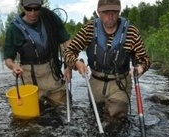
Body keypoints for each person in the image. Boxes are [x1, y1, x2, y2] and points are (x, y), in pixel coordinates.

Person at [64, 0, 150, 128]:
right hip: (95, 82)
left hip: (120, 84)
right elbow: (68, 51)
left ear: (119, 11)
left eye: (114, 12)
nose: (110, 16)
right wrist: (75, 63)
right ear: (98, 12)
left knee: (114, 121)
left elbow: (145, 59)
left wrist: (141, 67)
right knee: (95, 119)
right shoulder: (89, 29)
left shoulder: (131, 32)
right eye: (106, 12)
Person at [3, 0, 72, 108]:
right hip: (30, 79)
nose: (33, 13)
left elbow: (66, 42)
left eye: (37, 8)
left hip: (52, 75)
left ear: (41, 6)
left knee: (63, 108)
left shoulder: (50, 18)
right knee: (30, 119)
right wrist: (14, 66)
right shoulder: (14, 29)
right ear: (22, 7)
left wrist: (69, 65)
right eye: (29, 9)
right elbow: (8, 59)